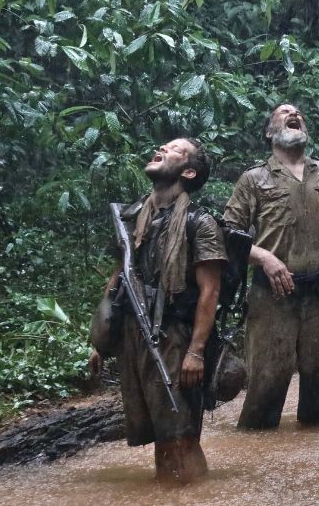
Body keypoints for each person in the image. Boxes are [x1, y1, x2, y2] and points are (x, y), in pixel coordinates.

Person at [223, 104, 319, 429]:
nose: (293, 114)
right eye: (283, 113)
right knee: (265, 388)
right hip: (273, 298)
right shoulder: (253, 179)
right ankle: (258, 461)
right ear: (270, 132)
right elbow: (228, 236)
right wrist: (265, 258)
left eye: (298, 113)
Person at [88, 138, 225, 482]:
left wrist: (196, 352)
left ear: (189, 171)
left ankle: (192, 493)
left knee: (180, 433)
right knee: (161, 436)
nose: (162, 147)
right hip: (134, 337)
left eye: (175, 148)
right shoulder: (134, 217)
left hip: (175, 337)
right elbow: (120, 277)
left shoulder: (200, 222)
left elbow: (210, 290)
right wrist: (100, 338)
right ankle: (173, 491)